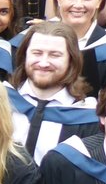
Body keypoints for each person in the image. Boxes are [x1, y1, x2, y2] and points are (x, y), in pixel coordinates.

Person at [8, 22, 100, 164]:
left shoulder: (88, 117)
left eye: (54, 55)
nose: (44, 63)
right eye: (37, 53)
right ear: (24, 55)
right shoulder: (0, 101)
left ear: (71, 60)